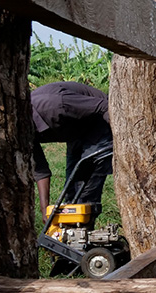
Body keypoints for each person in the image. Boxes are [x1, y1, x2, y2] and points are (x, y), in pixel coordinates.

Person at [30, 81, 113, 214]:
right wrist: (44, 208)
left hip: (99, 120)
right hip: (77, 132)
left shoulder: (55, 105)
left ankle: (84, 229)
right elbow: (40, 171)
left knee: (85, 191)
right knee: (70, 196)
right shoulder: (22, 133)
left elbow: (104, 106)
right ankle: (71, 231)